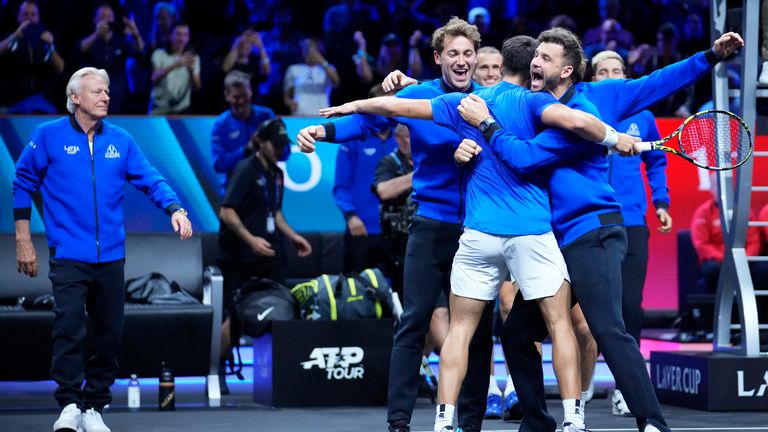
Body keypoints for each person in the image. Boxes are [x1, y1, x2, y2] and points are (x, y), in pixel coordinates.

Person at [314, 33, 632, 432]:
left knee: (460, 330)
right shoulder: (539, 102)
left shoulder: (466, 104)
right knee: (559, 325)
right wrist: (614, 138)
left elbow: (394, 106)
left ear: (498, 68)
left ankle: (444, 421)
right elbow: (579, 121)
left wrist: (354, 103)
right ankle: (572, 419)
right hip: (529, 233)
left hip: (477, 233)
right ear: (533, 65)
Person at [455, 28, 744, 432]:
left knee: (608, 328)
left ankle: (653, 423)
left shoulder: (596, 102)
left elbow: (657, 82)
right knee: (518, 332)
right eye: (534, 56)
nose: (535, 62)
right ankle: (537, 422)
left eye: (545, 58)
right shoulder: (524, 105)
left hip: (593, 232)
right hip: (553, 242)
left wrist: (710, 56)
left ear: (567, 70)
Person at [296, 17, 494, 432]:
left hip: (479, 230)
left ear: (476, 58)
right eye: (453, 54)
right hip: (431, 224)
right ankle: (399, 422)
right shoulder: (417, 95)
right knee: (415, 320)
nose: (462, 61)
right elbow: (367, 122)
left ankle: (471, 421)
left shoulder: (492, 101)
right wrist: (321, 129)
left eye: (468, 54)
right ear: (438, 57)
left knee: (476, 330)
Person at [13, 67, 193, 432]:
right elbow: (21, 183)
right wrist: (23, 240)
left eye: (107, 91)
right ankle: (69, 406)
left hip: (111, 255)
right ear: (75, 98)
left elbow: (150, 178)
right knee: (69, 328)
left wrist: (175, 208)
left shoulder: (121, 139)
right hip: (68, 254)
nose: (106, 96)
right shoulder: (47, 136)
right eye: (97, 91)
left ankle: (94, 406)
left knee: (109, 334)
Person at [217, 118, 312, 394]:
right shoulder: (246, 169)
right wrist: (250, 240)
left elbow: (275, 213)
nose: (282, 150)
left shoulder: (278, 174)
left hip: (268, 253)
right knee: (233, 317)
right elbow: (227, 211)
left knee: (286, 304)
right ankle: (220, 370)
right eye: (277, 145)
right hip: (238, 256)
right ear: (261, 143)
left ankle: (284, 371)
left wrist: (294, 237)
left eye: (284, 145)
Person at [373, 123, 450, 360]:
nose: (410, 141)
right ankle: (459, 375)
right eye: (405, 137)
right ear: (397, 138)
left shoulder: (435, 156)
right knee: (435, 314)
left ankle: (426, 367)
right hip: (405, 252)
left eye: (413, 136)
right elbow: (383, 191)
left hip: (444, 242)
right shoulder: (390, 163)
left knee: (440, 317)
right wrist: (420, 174)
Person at [333, 87, 396, 274]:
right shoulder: (353, 139)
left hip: (397, 232)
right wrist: (350, 216)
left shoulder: (404, 137)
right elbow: (340, 186)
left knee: (400, 295)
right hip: (361, 228)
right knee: (356, 293)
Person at [211, 71, 276, 197]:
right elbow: (218, 165)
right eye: (236, 97)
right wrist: (246, 149)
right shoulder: (220, 125)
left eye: (244, 95)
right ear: (227, 96)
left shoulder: (267, 116)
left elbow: (285, 153)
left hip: (265, 191)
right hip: (234, 193)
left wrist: (270, 146)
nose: (241, 101)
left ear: (251, 92)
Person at [78, 3, 145, 114]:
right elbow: (80, 49)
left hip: (118, 100)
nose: (106, 20)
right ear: (95, 20)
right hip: (92, 99)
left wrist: (136, 35)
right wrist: (96, 35)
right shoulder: (89, 40)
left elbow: (141, 53)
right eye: (102, 16)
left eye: (109, 17)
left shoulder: (121, 42)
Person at [0, 0, 65, 113]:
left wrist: (50, 46)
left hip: (42, 104)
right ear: (18, 17)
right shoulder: (10, 38)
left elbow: (60, 68)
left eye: (33, 14)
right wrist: (14, 36)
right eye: (25, 14)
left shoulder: (46, 39)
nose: (29, 17)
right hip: (12, 103)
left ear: (38, 17)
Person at [149, 22, 201, 114]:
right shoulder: (159, 54)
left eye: (185, 35)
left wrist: (191, 71)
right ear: (170, 35)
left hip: (182, 110)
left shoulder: (194, 57)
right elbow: (154, 78)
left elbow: (197, 87)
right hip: (159, 109)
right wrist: (176, 64)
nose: (182, 39)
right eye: (178, 34)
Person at [283, 38, 340, 115]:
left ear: (319, 50)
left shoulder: (328, 69)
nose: (309, 52)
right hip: (299, 115)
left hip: (322, 115)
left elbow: (336, 82)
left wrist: (322, 62)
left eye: (313, 48)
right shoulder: (293, 69)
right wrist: (290, 103)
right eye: (306, 48)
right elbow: (286, 96)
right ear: (302, 51)